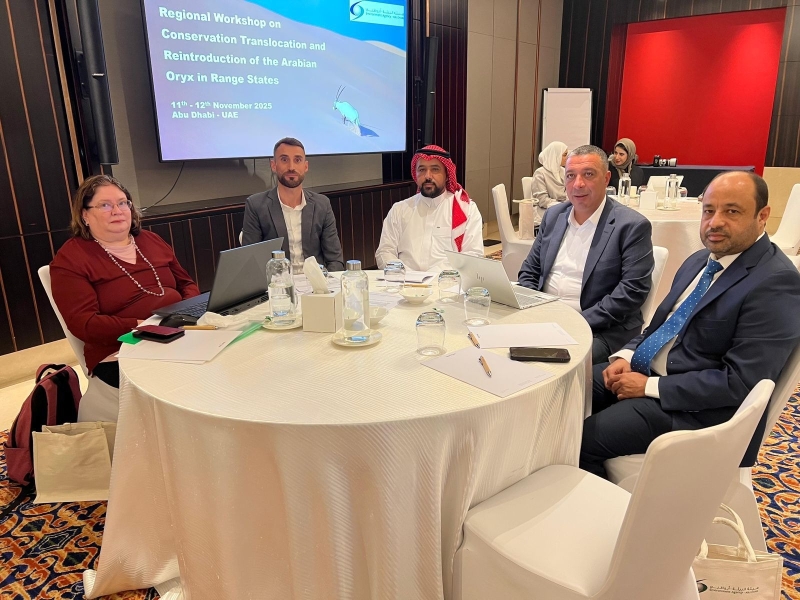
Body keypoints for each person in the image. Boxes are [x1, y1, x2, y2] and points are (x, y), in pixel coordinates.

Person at [581, 171, 800, 479]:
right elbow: (660, 326)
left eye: (732, 211)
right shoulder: (700, 260)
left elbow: (740, 383)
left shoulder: (776, 282)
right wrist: (626, 356)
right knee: (564, 392)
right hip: (651, 374)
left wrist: (649, 386)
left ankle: (608, 507)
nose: (715, 222)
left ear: (762, 216)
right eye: (709, 210)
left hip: (696, 413)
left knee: (582, 438)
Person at [50, 175, 200, 388]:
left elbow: (187, 284)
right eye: (105, 205)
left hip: (178, 332)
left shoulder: (151, 240)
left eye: (122, 203)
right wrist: (145, 326)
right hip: (121, 348)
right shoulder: (71, 259)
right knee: (192, 379)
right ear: (85, 215)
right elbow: (85, 324)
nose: (117, 211)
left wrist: (187, 311)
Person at [517, 145, 654, 364]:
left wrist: (574, 322)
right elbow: (529, 271)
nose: (578, 184)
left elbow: (631, 292)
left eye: (588, 174)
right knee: (494, 344)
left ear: (606, 178)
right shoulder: (554, 216)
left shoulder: (631, 226)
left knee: (540, 361)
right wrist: (536, 312)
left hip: (601, 328)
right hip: (546, 318)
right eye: (570, 176)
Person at [241, 137, 345, 273]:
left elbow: (335, 260)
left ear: (305, 166)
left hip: (315, 282)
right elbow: (252, 263)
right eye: (284, 160)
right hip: (279, 283)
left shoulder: (322, 204)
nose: (291, 167)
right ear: (273, 165)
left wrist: (327, 284)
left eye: (297, 160)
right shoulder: (256, 205)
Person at [375, 145, 484, 271]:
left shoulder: (466, 209)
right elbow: (385, 251)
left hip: (446, 280)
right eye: (422, 170)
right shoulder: (399, 210)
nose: (428, 176)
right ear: (415, 174)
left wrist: (435, 277)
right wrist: (405, 274)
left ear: (447, 175)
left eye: (435, 169)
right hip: (404, 280)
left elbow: (473, 255)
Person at [530, 141, 568, 233]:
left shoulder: (563, 171)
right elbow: (542, 201)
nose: (567, 158)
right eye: (564, 155)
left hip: (562, 211)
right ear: (555, 155)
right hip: (544, 214)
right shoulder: (540, 173)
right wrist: (563, 205)